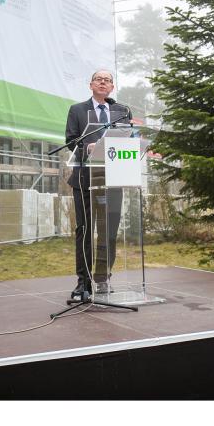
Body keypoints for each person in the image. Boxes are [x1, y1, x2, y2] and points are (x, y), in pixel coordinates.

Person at [64, 70, 132, 303]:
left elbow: (128, 138)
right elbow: (71, 140)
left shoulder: (122, 111)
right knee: (84, 230)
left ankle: (103, 278)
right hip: (85, 178)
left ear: (112, 87)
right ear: (91, 84)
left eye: (108, 80)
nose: (103, 82)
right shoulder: (77, 110)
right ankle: (83, 283)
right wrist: (88, 147)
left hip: (113, 178)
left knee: (108, 232)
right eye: (98, 79)